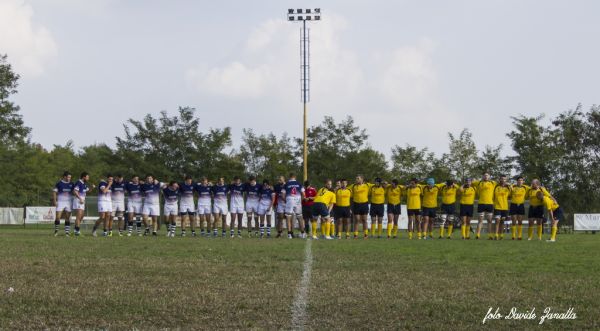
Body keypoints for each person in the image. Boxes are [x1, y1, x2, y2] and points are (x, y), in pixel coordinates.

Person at [472, 172, 497, 240]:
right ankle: (478, 235)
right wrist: (473, 180)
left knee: (489, 221)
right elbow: (471, 182)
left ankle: (490, 235)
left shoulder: (493, 183)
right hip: (481, 204)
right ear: (482, 176)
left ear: (489, 176)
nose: (486, 176)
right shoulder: (479, 183)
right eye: (484, 175)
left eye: (487, 175)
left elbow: (502, 184)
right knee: (480, 221)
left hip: (490, 204)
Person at [282, 173, 306, 239]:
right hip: (298, 200)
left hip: (289, 200)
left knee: (288, 218)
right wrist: (300, 201)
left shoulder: (286, 184)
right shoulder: (299, 183)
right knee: (300, 217)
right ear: (295, 177)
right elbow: (304, 195)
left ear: (289, 177)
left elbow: (283, 195)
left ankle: (289, 234)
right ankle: (303, 233)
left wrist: (286, 201)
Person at [52, 171, 74, 236]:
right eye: (68, 177)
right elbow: (54, 192)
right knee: (58, 217)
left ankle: (67, 233)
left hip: (68, 202)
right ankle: (56, 231)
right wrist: (55, 201)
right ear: (64, 177)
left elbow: (74, 192)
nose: (69, 178)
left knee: (67, 217)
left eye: (70, 177)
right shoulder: (59, 183)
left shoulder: (72, 184)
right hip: (60, 202)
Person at [350, 175, 371, 239]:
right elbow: (346, 188)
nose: (356, 180)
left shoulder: (367, 185)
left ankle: (366, 234)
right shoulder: (353, 186)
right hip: (356, 204)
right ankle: (355, 235)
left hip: (364, 204)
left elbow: (377, 184)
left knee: (364, 220)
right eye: (356, 179)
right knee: (357, 220)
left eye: (358, 179)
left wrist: (385, 184)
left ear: (362, 179)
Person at [72, 172, 92, 236]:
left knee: (82, 216)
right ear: (83, 177)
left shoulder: (84, 184)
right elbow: (75, 191)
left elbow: (88, 191)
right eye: (87, 177)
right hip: (78, 200)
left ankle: (75, 229)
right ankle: (77, 232)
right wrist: (80, 198)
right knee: (79, 216)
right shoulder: (79, 182)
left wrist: (92, 187)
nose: (88, 178)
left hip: (82, 201)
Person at [492, 175, 511, 240]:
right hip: (497, 207)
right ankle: (496, 235)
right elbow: (492, 196)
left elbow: (511, 194)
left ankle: (501, 235)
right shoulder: (496, 186)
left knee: (502, 221)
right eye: (502, 179)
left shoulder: (508, 187)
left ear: (506, 180)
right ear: (500, 179)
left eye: (504, 179)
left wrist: (510, 185)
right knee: (497, 221)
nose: (503, 180)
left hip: (505, 207)